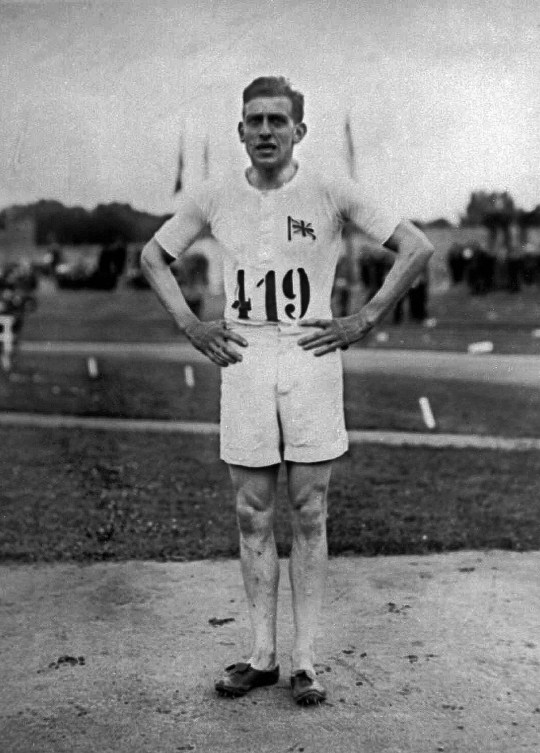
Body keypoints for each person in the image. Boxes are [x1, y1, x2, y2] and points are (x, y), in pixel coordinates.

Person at [141, 76, 434, 706]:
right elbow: (152, 257)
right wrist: (192, 325)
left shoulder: (329, 190)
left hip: (309, 351)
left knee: (309, 508)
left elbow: (416, 247)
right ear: (241, 131)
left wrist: (366, 318)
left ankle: (305, 661)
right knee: (251, 508)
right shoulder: (215, 194)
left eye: (278, 120)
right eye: (255, 121)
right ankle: (261, 654)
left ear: (299, 130)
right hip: (243, 353)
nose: (266, 131)